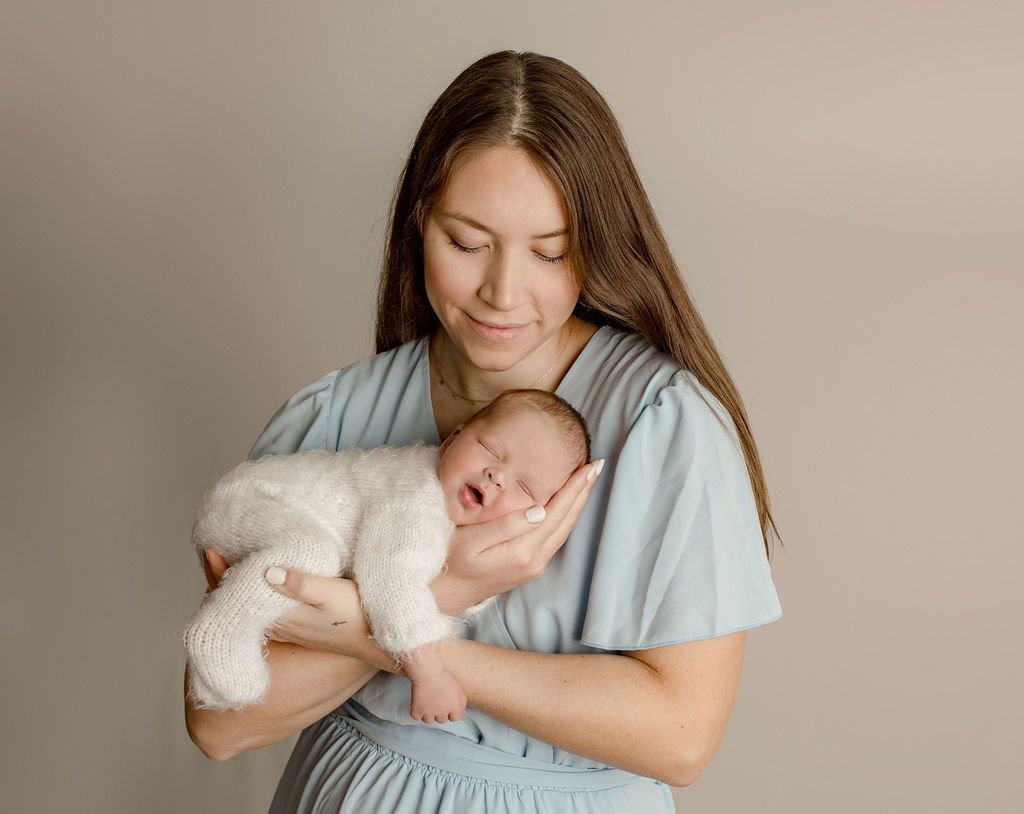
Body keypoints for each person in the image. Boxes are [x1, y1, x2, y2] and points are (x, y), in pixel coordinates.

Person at [184, 49, 784, 813]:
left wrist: (383, 636)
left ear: (596, 248)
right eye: (466, 243)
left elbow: (680, 737)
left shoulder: (663, 426)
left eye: (550, 252)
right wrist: (450, 587)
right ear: (418, 224)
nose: (502, 293)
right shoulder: (336, 417)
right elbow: (219, 722)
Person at [183, 389, 591, 722]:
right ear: (453, 439)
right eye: (490, 449)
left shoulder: (443, 512)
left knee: (312, 559)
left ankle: (219, 659)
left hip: (269, 513)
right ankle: (220, 631)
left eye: (525, 488)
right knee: (313, 554)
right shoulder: (417, 497)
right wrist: (428, 673)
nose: (497, 476)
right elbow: (392, 583)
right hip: (254, 502)